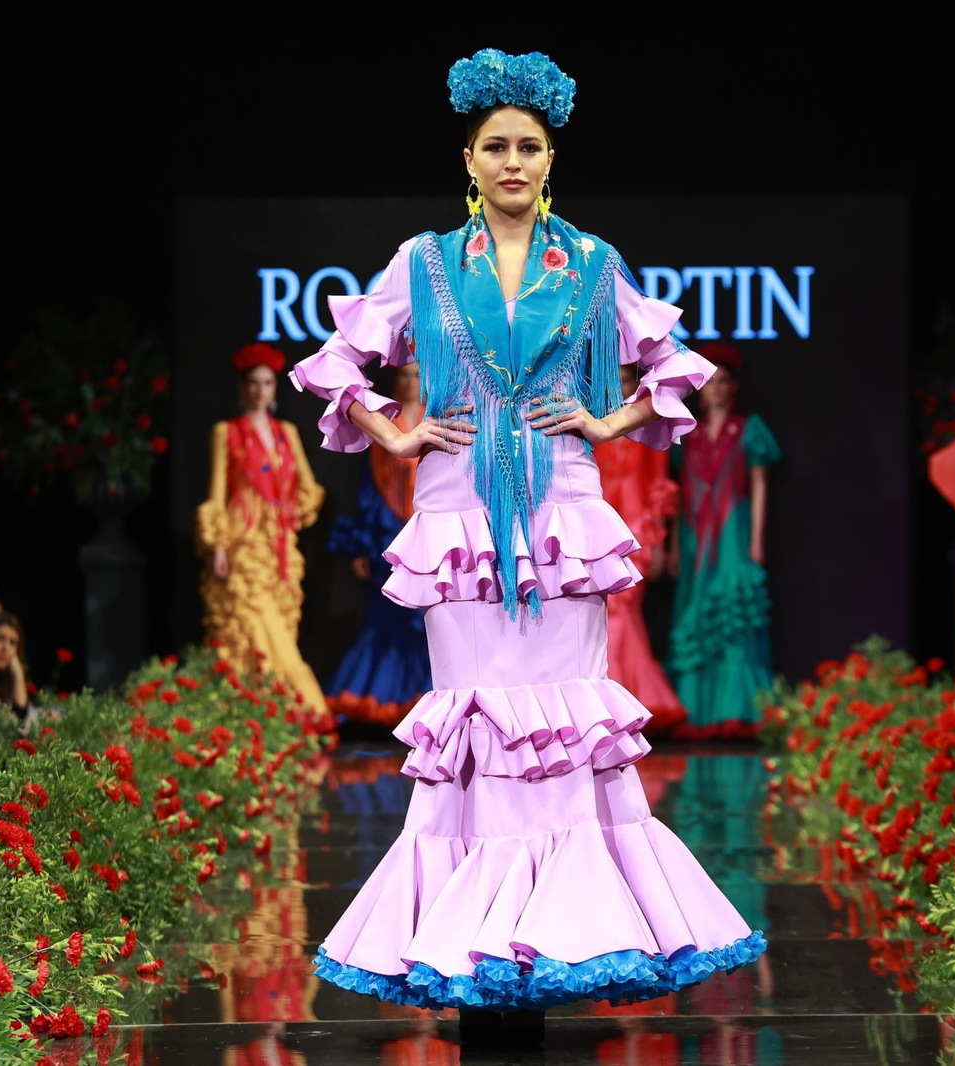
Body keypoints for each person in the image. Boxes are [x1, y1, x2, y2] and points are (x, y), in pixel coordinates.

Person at [286, 49, 764, 1039]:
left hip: (562, 522)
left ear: (550, 160)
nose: (513, 162)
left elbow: (672, 363)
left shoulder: (590, 262)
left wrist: (606, 421)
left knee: (563, 727)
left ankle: (561, 934)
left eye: (530, 147)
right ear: (468, 159)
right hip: (459, 524)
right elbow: (336, 362)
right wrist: (395, 433)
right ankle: (479, 939)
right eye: (496, 146)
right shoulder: (422, 263)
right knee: (476, 722)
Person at [198, 343, 328, 714]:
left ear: (274, 389)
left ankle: (271, 718)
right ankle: (278, 713)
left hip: (279, 548)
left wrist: (288, 511)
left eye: (267, 383)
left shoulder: (286, 432)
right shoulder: (226, 432)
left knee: (279, 629)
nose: (260, 390)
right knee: (250, 628)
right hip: (243, 545)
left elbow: (309, 488)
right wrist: (218, 545)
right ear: (243, 387)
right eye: (253, 383)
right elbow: (217, 494)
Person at [666, 342, 781, 737]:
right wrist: (673, 546)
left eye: (724, 381)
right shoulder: (688, 433)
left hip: (733, 528)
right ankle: (696, 711)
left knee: (734, 611)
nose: (717, 388)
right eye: (711, 381)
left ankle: (738, 709)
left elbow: (759, 485)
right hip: (694, 532)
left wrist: (757, 539)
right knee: (696, 609)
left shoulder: (747, 429)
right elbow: (680, 491)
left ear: (733, 387)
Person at [324, 361, 433, 728]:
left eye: (416, 375)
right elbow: (368, 486)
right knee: (389, 620)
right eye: (404, 374)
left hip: (430, 534)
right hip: (390, 535)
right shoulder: (384, 421)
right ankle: (387, 700)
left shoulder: (437, 416)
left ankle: (427, 702)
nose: (410, 381)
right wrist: (360, 544)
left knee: (428, 622)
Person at [596, 362, 685, 734]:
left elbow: (659, 486)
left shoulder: (649, 424)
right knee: (604, 608)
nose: (620, 387)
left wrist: (660, 542)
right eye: (615, 380)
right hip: (600, 527)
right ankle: (620, 698)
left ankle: (622, 700)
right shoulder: (594, 421)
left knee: (622, 607)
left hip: (636, 529)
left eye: (626, 380)